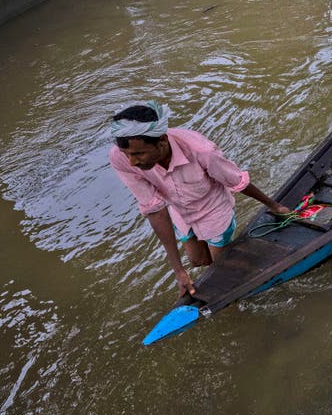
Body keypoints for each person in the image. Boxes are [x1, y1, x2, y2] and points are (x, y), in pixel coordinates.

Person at [108, 101, 292, 297]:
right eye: (127, 154)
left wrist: (273, 205)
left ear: (162, 141)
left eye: (139, 154)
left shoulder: (201, 151)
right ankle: (232, 262)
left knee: (222, 266)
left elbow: (235, 180)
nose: (132, 162)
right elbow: (154, 209)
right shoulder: (121, 159)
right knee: (198, 261)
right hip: (180, 209)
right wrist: (179, 271)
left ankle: (254, 271)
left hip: (213, 207)